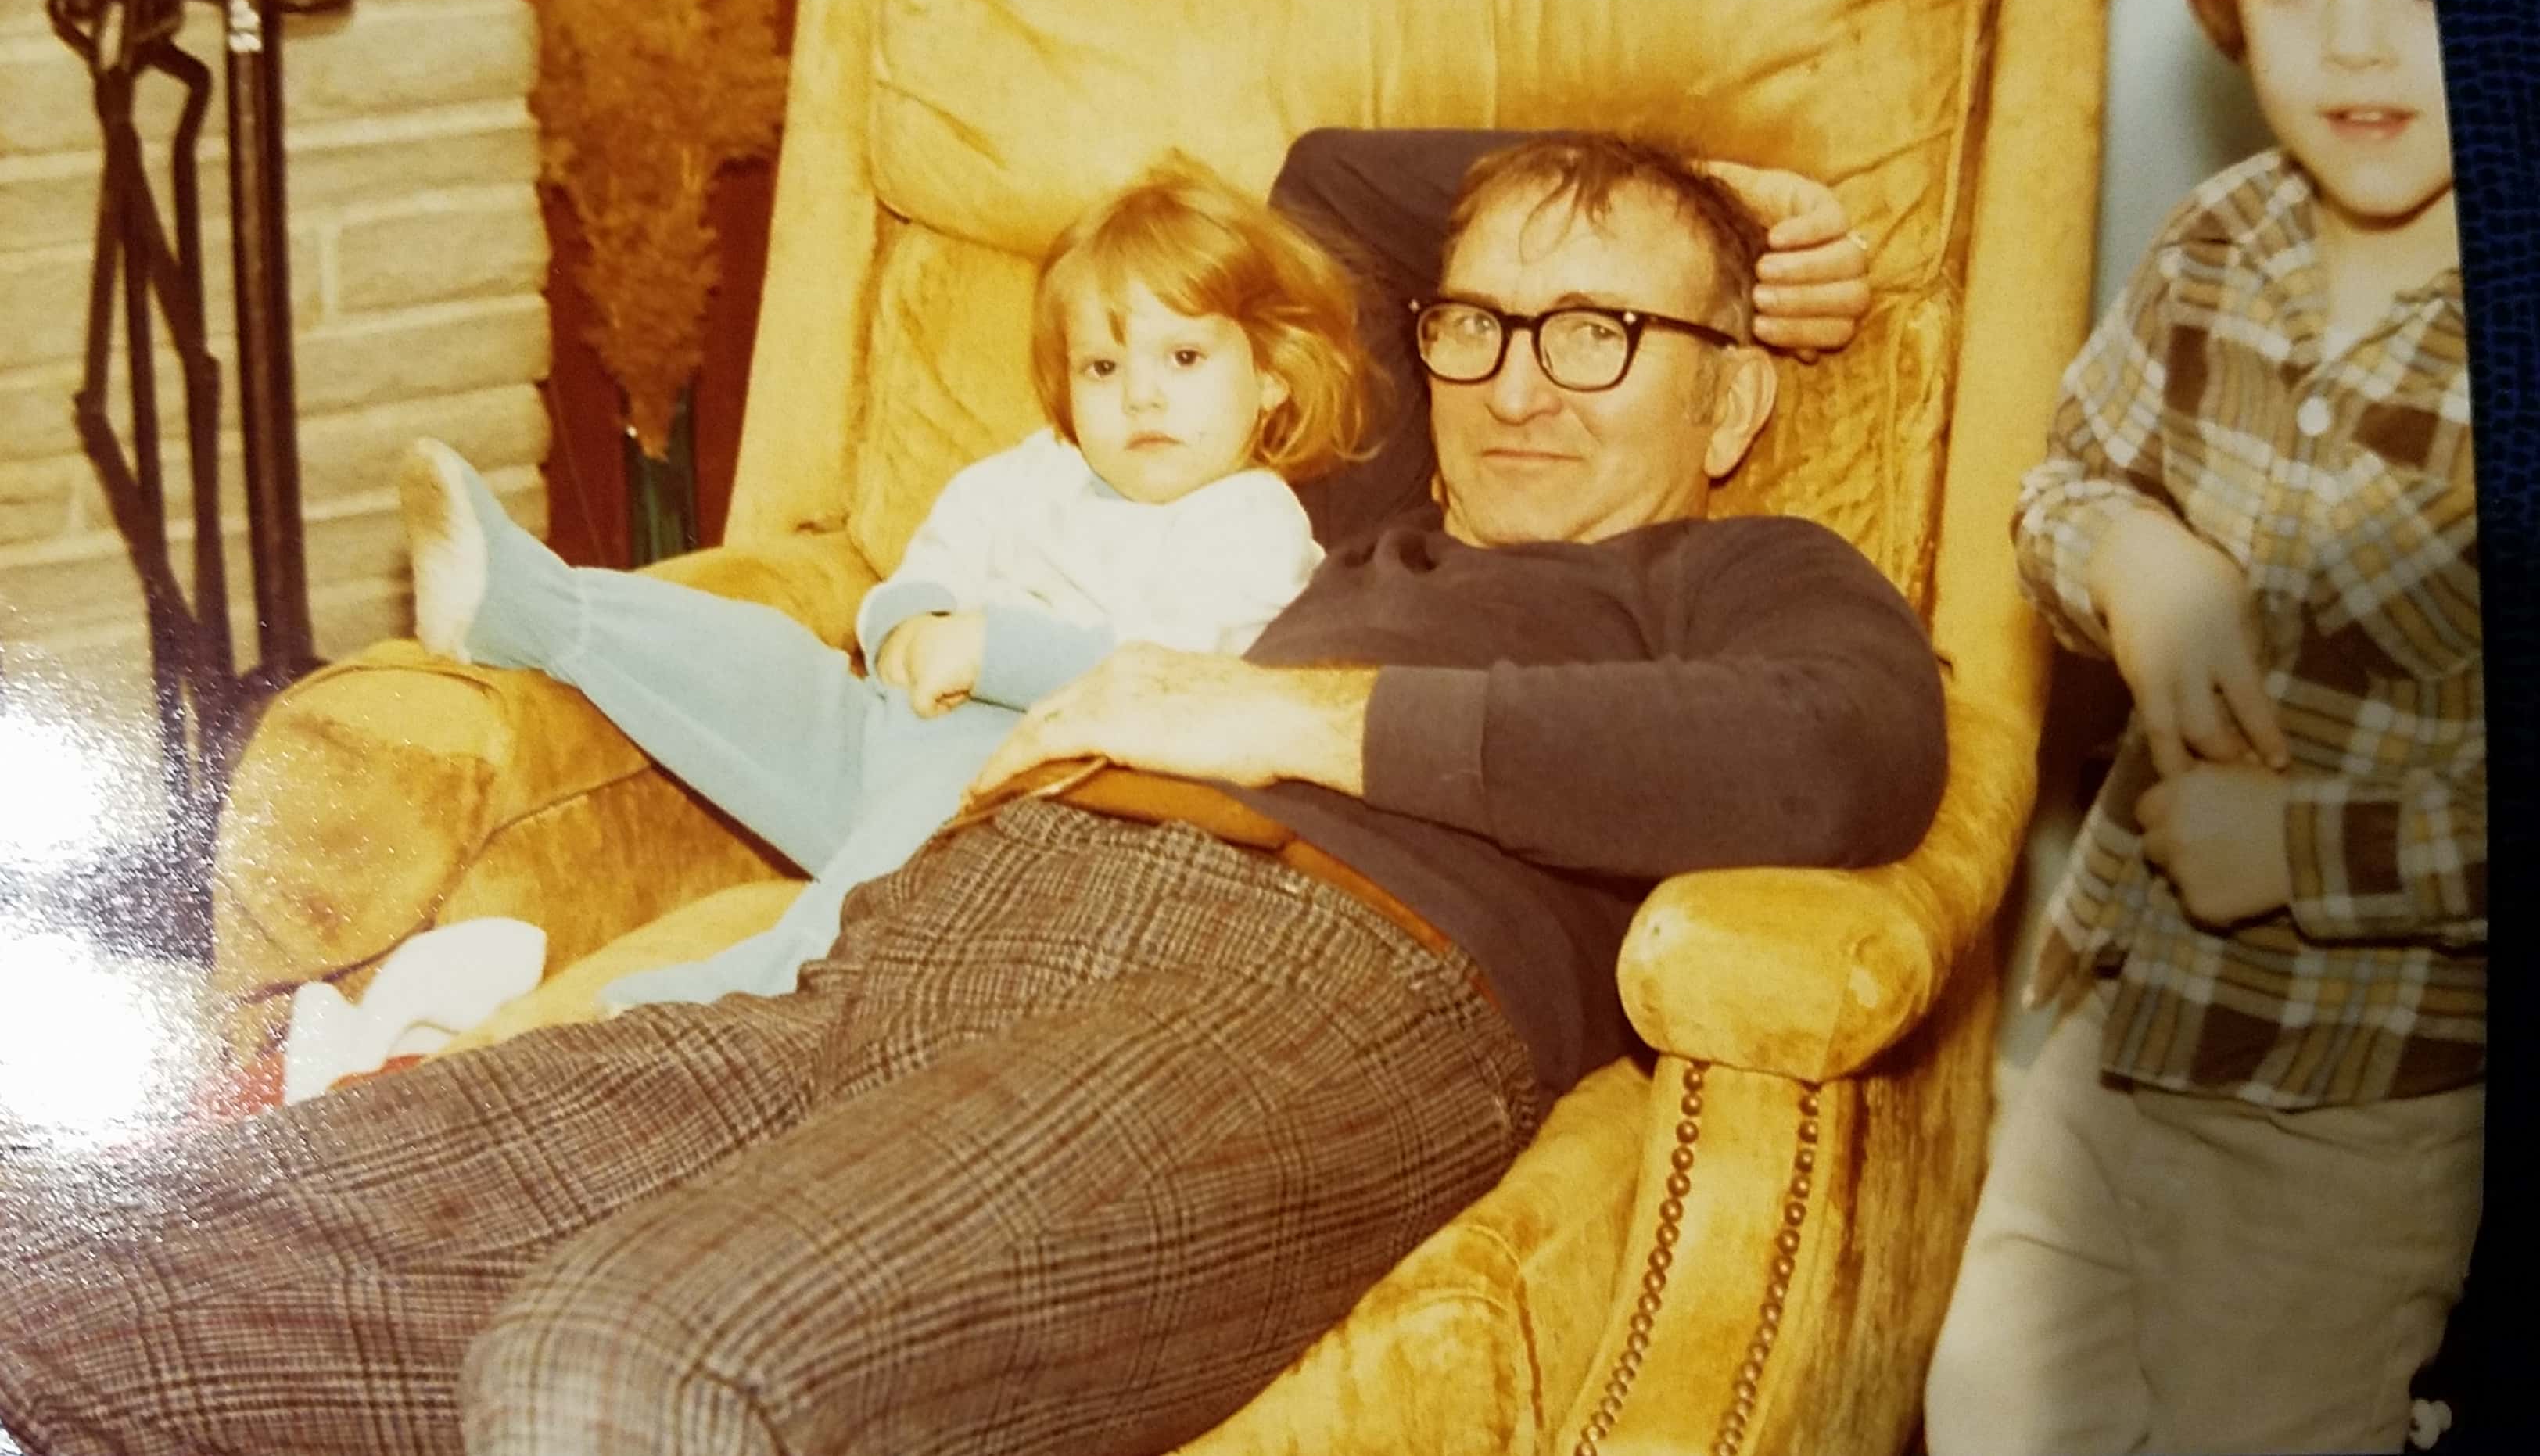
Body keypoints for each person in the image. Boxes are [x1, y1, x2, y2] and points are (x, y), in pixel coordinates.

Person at [0, 130, 1943, 1456]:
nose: (1519, 385)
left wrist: (1275, 715)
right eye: (1480, 323)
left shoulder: (1736, 573)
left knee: (621, 1359)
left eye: (1605, 334)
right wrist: (1685, 181)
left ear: (1735, 396)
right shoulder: (1355, 493)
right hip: (938, 908)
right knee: (75, 1254)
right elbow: (1334, 178)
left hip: (1316, 982)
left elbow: (1841, 753)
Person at [1921, 0, 2484, 1454]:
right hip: (2115, 1023)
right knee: (1990, 1402)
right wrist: (2126, 557)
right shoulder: (2214, 242)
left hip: (2353, 1099)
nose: (2354, 44)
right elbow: (2056, 489)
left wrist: (2306, 851)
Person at [361, 159, 1367, 1037]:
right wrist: (907, 623)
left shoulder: (1252, 522)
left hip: (1015, 788)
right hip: (878, 735)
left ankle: (729, 1004)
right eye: (1102, 366)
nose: (1139, 395)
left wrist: (989, 648)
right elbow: (931, 557)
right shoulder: (1039, 468)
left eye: (1182, 358)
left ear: (1272, 376)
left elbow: (1170, 685)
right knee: (751, 653)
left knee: (866, 891)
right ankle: (533, 602)